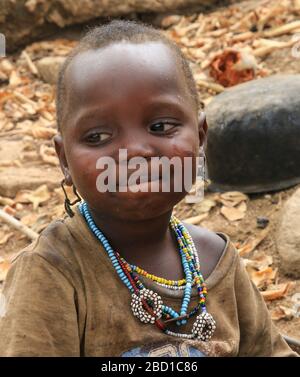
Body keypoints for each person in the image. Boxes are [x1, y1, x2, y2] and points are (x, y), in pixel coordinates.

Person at [0, 20, 297, 357]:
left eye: (160, 126)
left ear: (200, 139)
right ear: (64, 160)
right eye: (97, 137)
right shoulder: (53, 272)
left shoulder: (215, 260)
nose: (135, 151)